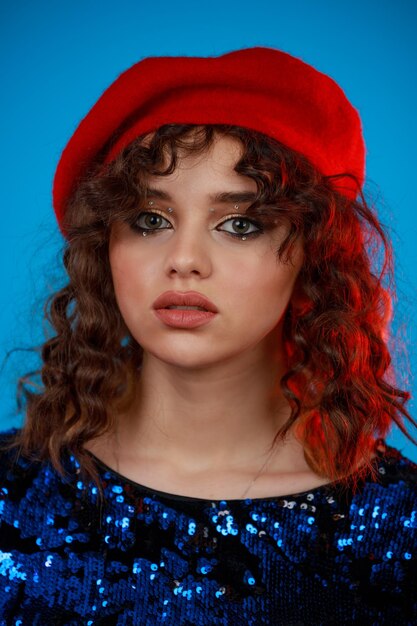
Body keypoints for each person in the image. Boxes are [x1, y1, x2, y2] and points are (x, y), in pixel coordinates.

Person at [0, 46, 416, 624]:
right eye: (151, 220)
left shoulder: (399, 526)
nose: (184, 260)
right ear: (105, 249)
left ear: (314, 259)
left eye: (239, 224)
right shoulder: (11, 492)